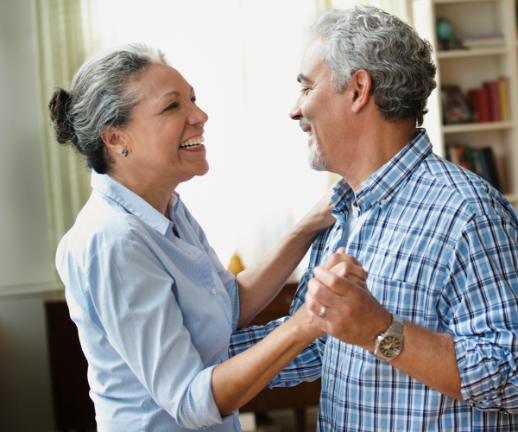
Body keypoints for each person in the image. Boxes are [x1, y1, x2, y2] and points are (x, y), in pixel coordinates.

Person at [50, 44, 367, 432]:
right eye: (172, 107)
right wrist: (307, 321)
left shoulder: (168, 208)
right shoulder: (114, 241)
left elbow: (228, 305)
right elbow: (190, 401)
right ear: (116, 138)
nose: (200, 116)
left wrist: (308, 227)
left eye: (193, 100)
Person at [230, 5, 518, 431]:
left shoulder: (468, 212)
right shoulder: (343, 210)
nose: (295, 110)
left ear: (358, 88)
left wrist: (382, 330)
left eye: (306, 88)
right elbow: (319, 339)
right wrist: (196, 358)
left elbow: (511, 376)